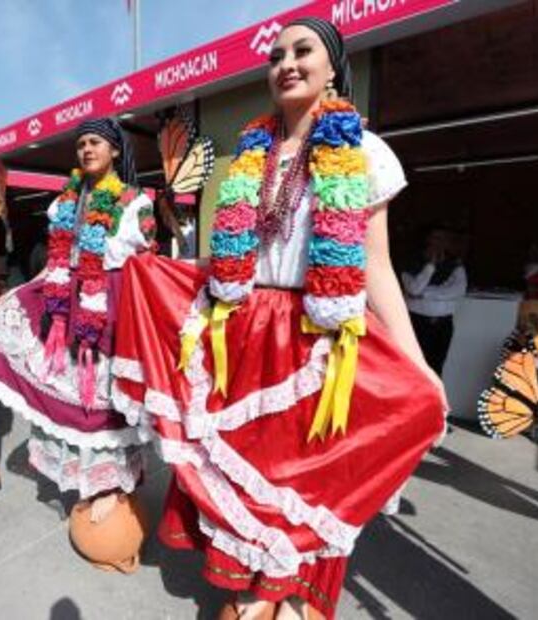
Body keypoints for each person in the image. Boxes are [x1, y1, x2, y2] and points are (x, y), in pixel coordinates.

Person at [111, 18, 446, 619]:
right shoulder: (248, 156)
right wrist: (159, 267)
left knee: (307, 481)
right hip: (243, 333)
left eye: (302, 51)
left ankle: (292, 598)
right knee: (244, 476)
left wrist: (419, 365)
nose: (286, 63)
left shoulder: (364, 150)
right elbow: (234, 259)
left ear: (332, 68)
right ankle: (249, 594)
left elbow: (376, 265)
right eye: (276, 55)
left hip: (316, 338)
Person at [0, 119, 156, 536]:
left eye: (95, 142)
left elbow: (145, 266)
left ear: (114, 151)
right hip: (66, 302)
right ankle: (85, 482)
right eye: (81, 144)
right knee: (70, 388)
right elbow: (56, 261)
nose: (87, 149)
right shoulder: (65, 202)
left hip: (110, 303)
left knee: (104, 395)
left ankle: (110, 485)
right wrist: (23, 293)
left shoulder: (133, 201)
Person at [401, 228, 467, 375]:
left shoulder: (454, 265)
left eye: (443, 239)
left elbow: (458, 290)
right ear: (427, 240)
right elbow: (414, 289)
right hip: (417, 322)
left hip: (442, 325)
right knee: (413, 367)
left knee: (436, 368)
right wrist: (430, 266)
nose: (439, 243)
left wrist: (425, 294)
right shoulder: (412, 262)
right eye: (435, 238)